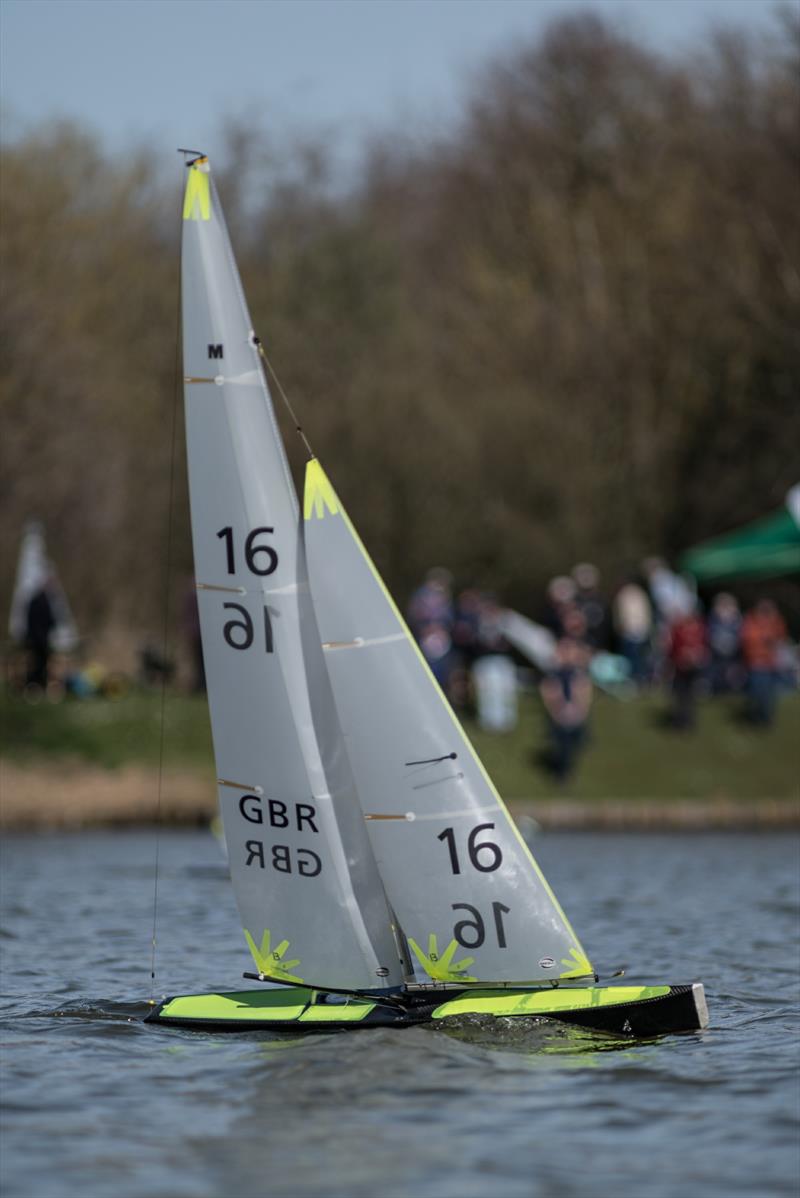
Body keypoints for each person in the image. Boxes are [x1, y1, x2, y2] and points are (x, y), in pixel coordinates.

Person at [540, 637, 593, 782]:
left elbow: (584, 690)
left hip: (574, 711)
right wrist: (556, 710)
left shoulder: (578, 672)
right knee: (562, 746)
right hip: (560, 711)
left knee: (574, 744)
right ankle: (562, 773)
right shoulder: (554, 673)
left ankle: (567, 770)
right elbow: (549, 690)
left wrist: (581, 709)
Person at [740, 599, 788, 726]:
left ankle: (766, 718)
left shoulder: (775, 621)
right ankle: (755, 717)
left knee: (769, 693)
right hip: (756, 663)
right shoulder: (751, 622)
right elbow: (748, 640)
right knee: (757, 691)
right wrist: (764, 640)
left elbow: (780, 637)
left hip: (770, 663)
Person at [666, 604, 709, 730]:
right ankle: (679, 721)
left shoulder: (700, 629)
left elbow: (704, 647)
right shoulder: (678, 629)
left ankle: (688, 721)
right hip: (680, 667)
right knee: (679, 694)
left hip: (693, 668)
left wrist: (697, 655)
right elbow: (672, 649)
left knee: (690, 696)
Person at [613, 575, 653, 687]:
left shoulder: (623, 594)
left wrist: (621, 628)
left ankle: (635, 679)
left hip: (630, 630)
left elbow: (622, 615)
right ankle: (641, 678)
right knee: (640, 656)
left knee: (632, 657)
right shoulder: (640, 593)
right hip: (640, 630)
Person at [707, 593, 743, 694]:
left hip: (734, 653)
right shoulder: (712, 620)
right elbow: (709, 635)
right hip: (716, 653)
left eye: (728, 605)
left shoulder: (738, 620)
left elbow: (742, 636)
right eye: (722, 605)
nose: (725, 608)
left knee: (733, 672)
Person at [24, 583, 56, 690]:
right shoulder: (46, 602)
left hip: (34, 639)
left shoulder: (33, 601)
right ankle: (38, 684)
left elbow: (29, 622)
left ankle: (33, 684)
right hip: (41, 640)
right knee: (40, 663)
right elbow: (50, 621)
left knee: (36, 663)